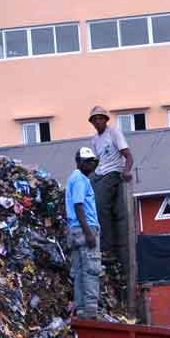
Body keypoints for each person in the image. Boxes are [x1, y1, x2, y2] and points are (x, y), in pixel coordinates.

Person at [87, 107, 134, 267]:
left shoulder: (114, 133)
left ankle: (108, 249)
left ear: (106, 120)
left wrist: (126, 171)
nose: (97, 121)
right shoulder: (95, 140)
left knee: (101, 207)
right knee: (88, 200)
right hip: (99, 173)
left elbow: (128, 155)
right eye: (94, 119)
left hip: (113, 172)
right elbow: (96, 162)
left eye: (100, 118)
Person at [66, 147, 102, 320]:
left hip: (74, 230)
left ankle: (81, 309)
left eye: (92, 161)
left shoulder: (74, 179)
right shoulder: (80, 179)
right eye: (87, 161)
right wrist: (89, 233)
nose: (91, 164)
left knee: (79, 270)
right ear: (79, 162)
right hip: (85, 228)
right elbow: (78, 205)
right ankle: (91, 311)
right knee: (91, 269)